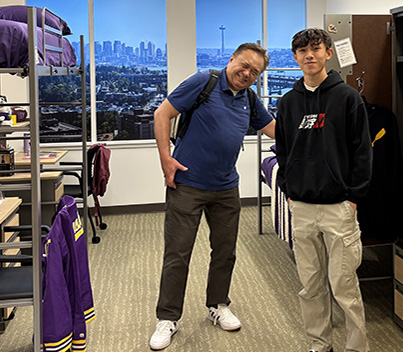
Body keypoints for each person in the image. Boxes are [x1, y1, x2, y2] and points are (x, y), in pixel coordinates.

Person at [149, 43, 276, 351]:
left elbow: (274, 129)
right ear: (231, 59)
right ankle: (167, 318)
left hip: (226, 188)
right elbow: (162, 114)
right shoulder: (203, 82)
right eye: (243, 65)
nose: (246, 74)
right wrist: (166, 159)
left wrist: (312, 134)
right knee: (178, 253)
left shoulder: (250, 99)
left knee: (225, 251)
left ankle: (218, 305)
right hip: (187, 185)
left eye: (254, 72)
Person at [275, 28, 372, 352]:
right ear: (295, 58)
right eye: (302, 51)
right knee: (310, 285)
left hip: (338, 207)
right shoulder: (287, 102)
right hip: (302, 206)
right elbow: (284, 149)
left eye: (315, 49)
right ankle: (320, 344)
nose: (309, 56)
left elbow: (362, 151)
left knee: (344, 286)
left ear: (328, 53)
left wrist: (354, 197)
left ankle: (356, 347)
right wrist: (289, 187)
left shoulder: (347, 98)